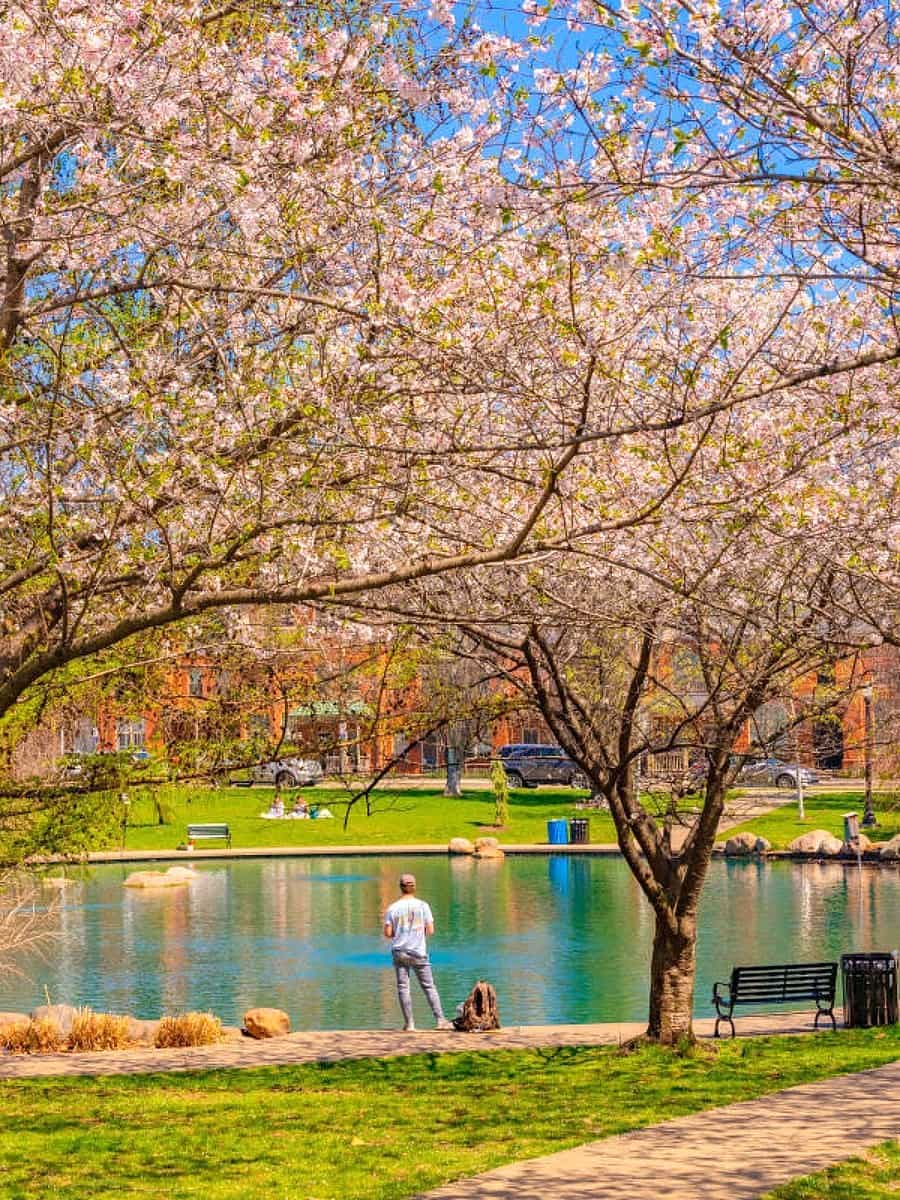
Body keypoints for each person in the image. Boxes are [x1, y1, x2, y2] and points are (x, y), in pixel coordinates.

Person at [383, 873, 453, 1032]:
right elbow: (430, 930)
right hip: (418, 952)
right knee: (429, 986)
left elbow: (387, 933)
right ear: (414, 887)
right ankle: (440, 1020)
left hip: (399, 951)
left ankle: (409, 1024)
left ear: (401, 888)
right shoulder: (423, 906)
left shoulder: (392, 908)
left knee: (403, 987)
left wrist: (400, 933)